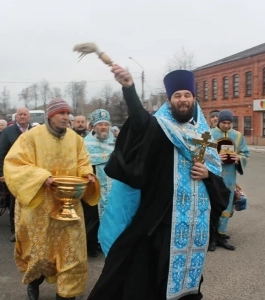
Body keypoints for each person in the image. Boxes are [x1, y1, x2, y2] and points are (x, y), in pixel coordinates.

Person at [88, 67, 230, 300]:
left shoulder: (204, 135)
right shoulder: (160, 128)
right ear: (170, 100)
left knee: (188, 279)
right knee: (151, 278)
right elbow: (140, 121)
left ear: (194, 99)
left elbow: (219, 187)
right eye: (177, 96)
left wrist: (208, 175)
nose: (183, 100)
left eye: (187, 95)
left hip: (195, 226)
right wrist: (129, 89)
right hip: (161, 221)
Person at [3, 99, 100, 300]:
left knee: (72, 251)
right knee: (39, 252)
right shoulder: (31, 138)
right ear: (50, 115)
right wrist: (40, 177)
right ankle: (34, 282)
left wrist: (87, 174)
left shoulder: (75, 140)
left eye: (68, 114)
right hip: (40, 206)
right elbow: (14, 164)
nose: (66, 117)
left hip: (70, 207)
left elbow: (83, 161)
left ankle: (67, 293)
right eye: (61, 114)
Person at [210, 109, 250, 251]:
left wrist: (238, 158)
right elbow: (201, 154)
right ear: (219, 122)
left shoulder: (238, 136)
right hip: (214, 176)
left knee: (227, 205)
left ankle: (221, 235)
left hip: (230, 177)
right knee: (214, 205)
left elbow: (245, 153)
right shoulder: (210, 134)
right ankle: (212, 236)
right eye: (223, 122)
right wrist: (216, 158)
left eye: (229, 123)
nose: (226, 126)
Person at [83, 109, 116, 257]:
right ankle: (93, 246)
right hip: (95, 186)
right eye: (100, 124)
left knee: (112, 214)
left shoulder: (115, 141)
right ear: (94, 127)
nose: (103, 127)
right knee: (93, 217)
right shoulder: (86, 143)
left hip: (113, 185)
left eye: (106, 124)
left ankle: (110, 243)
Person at [0, 107, 31, 242]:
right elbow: (1, 153)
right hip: (14, 173)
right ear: (16, 117)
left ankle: (30, 229)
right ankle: (15, 231)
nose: (22, 117)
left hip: (31, 173)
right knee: (14, 202)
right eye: (20, 114)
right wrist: (1, 173)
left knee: (31, 200)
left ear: (29, 117)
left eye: (25, 114)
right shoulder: (8, 132)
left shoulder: (34, 131)